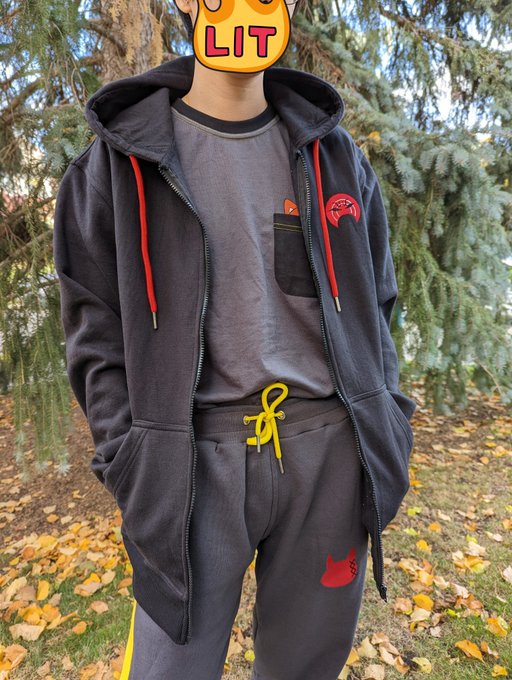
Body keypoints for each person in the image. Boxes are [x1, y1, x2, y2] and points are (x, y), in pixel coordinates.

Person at [53, 0, 417, 677]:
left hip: (328, 460)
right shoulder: (114, 166)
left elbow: (377, 303)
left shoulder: (335, 156)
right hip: (187, 470)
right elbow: (94, 333)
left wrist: (384, 415)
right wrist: (131, 453)